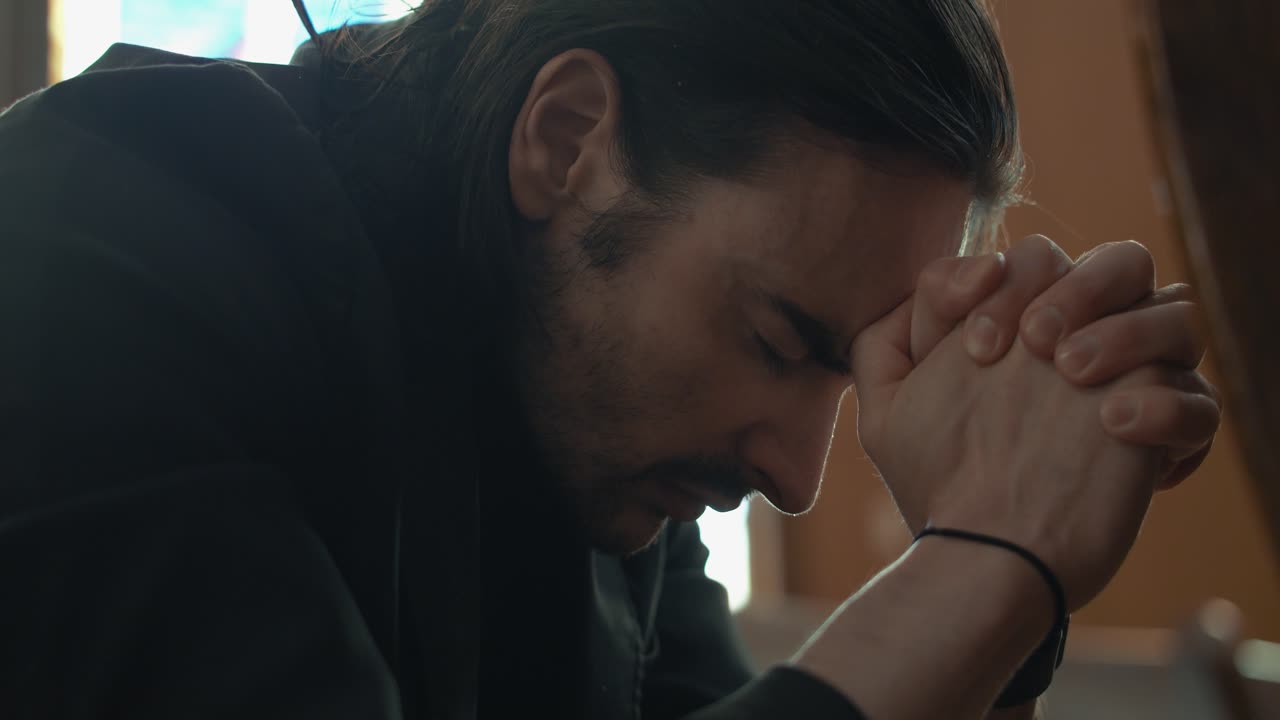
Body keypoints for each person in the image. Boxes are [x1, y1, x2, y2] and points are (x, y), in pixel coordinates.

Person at [0, 1, 1220, 719]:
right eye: (776, 340)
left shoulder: (579, 439)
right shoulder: (90, 246)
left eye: (844, 375)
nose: (797, 474)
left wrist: (993, 609)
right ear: (567, 138)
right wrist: (987, 558)